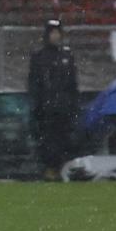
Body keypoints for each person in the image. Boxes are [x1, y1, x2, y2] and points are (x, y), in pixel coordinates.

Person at [28, 19, 79, 180]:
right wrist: (38, 103)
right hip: (47, 107)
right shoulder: (39, 57)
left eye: (58, 32)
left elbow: (72, 83)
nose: (56, 36)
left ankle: (63, 168)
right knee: (48, 139)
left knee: (64, 137)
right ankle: (49, 169)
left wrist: (72, 102)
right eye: (53, 32)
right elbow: (34, 83)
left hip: (64, 106)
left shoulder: (67, 55)